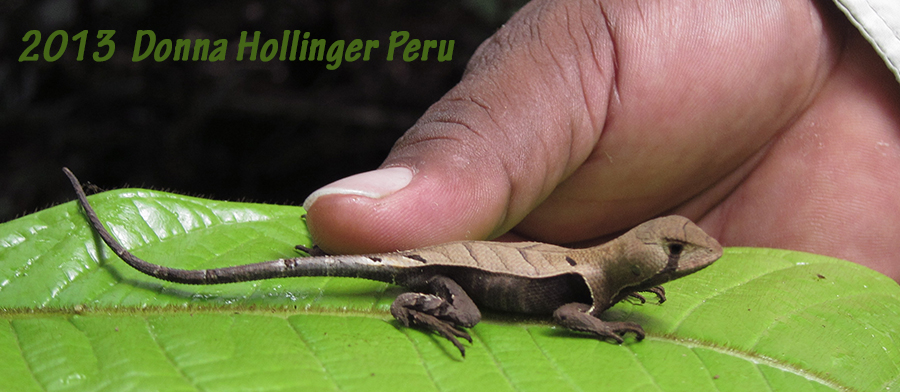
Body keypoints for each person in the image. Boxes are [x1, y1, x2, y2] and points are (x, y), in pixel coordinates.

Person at [303, 0, 900, 282]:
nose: (693, 256)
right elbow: (569, 313)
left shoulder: (603, 280)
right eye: (669, 251)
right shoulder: (589, 290)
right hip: (449, 269)